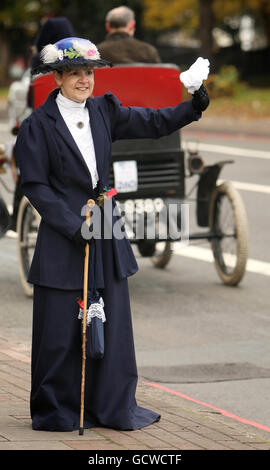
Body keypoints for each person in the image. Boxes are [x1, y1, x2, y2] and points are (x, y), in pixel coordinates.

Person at [15, 37, 209, 432]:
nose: (84, 80)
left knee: (112, 320)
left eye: (89, 73)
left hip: (106, 228)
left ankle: (110, 404)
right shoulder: (37, 125)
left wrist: (193, 106)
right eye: (75, 74)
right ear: (58, 77)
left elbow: (154, 122)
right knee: (60, 328)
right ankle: (60, 408)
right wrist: (73, 226)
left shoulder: (106, 110)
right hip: (63, 232)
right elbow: (35, 187)